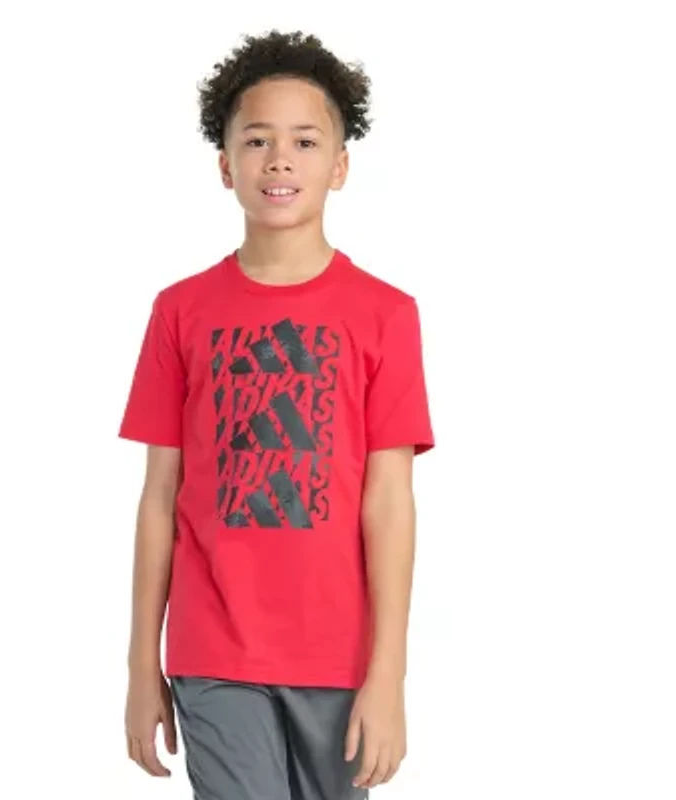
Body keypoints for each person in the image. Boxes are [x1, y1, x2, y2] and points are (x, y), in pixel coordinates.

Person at [118, 29, 435, 800]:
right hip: (213, 650)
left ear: (340, 166)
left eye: (304, 141)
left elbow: (389, 503)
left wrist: (389, 673)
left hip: (339, 657)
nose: (279, 160)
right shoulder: (180, 312)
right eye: (257, 140)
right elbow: (160, 498)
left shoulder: (386, 315)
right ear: (226, 166)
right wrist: (140, 664)